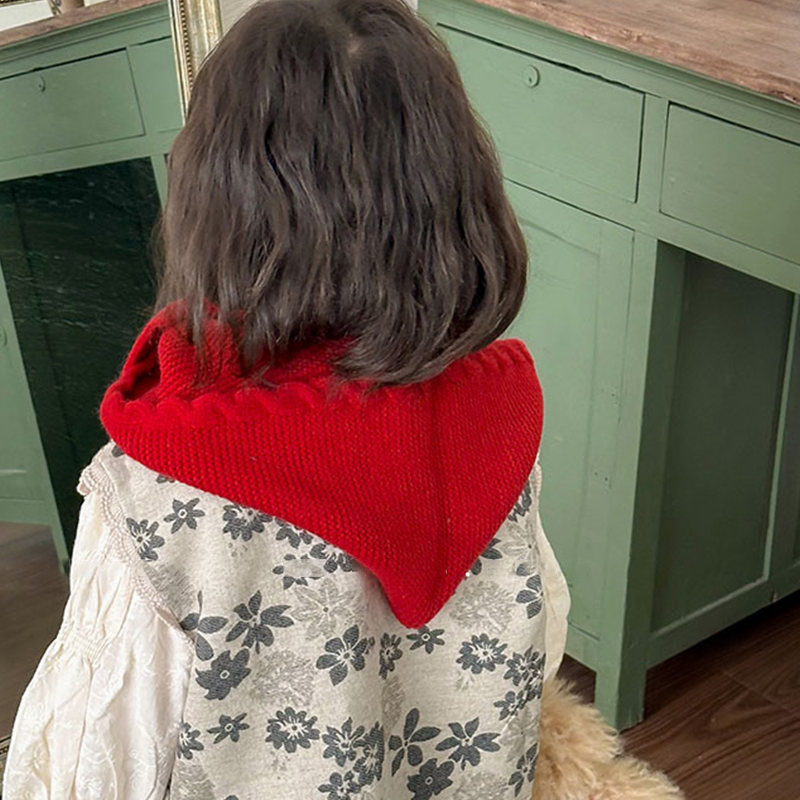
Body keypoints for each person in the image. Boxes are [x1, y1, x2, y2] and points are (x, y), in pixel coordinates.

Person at [3, 0, 569, 797]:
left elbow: (90, 766)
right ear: (459, 187)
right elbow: (538, 640)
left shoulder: (156, 494)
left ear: (215, 197)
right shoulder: (500, 418)